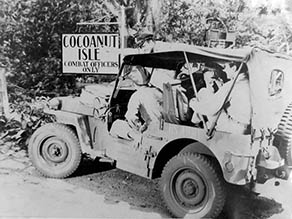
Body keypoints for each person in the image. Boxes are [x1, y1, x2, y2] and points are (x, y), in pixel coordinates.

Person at [189, 62, 251, 134]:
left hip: (233, 127)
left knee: (204, 92)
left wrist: (192, 104)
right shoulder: (248, 81)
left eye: (225, 67)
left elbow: (210, 109)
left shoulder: (231, 85)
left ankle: (195, 123)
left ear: (234, 68)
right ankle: (196, 122)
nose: (224, 71)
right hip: (246, 127)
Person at [110, 67, 163, 144]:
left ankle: (136, 138)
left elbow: (131, 117)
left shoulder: (137, 95)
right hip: (163, 128)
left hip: (150, 131)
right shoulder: (158, 91)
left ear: (133, 82)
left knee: (116, 124)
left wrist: (139, 127)